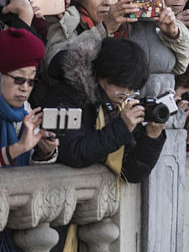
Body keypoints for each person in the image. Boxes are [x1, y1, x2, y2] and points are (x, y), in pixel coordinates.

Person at [45, 37, 167, 182]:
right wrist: (121, 128)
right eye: (119, 91)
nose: (123, 98)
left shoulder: (117, 107)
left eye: (130, 92)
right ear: (100, 75)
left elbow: (132, 173)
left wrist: (152, 136)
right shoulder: (65, 95)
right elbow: (74, 153)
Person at [0, 28, 56, 167]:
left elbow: (28, 163)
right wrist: (18, 148)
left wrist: (43, 151)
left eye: (31, 81)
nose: (25, 88)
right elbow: (20, 149)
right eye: (18, 79)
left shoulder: (25, 110)